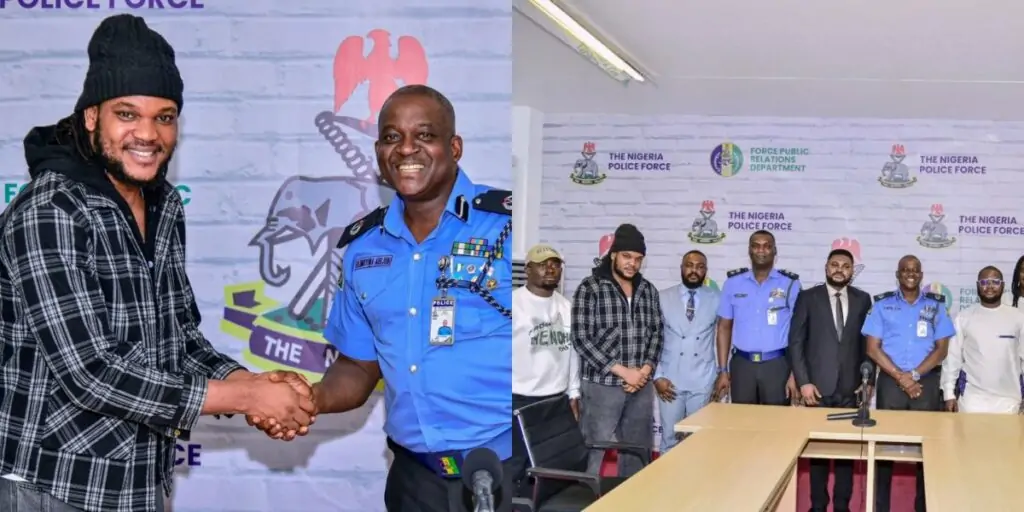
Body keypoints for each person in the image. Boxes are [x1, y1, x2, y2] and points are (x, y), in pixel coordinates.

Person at [0, 14, 315, 512]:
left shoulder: (163, 203)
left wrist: (246, 382)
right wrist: (246, 398)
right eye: (127, 114)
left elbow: (178, 338)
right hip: (52, 488)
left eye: (164, 117)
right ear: (91, 117)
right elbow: (89, 372)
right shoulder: (51, 209)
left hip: (141, 483)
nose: (148, 134)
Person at [249, 84, 514, 512]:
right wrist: (310, 398)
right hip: (414, 481)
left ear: (454, 147)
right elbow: (358, 366)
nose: (406, 148)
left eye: (424, 135)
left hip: (504, 472)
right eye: (392, 137)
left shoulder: (506, 227)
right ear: (378, 152)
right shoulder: (362, 248)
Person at [862, 254, 953, 512]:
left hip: (926, 384)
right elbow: (872, 348)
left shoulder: (936, 306)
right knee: (884, 450)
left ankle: (924, 506)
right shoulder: (882, 305)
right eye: (905, 269)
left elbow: (942, 350)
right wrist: (901, 376)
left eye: (915, 270)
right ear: (898, 274)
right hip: (891, 383)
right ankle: (880, 507)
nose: (910, 273)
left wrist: (913, 376)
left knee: (927, 451)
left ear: (921, 275)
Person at [571, 223, 663, 477]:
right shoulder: (591, 287)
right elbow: (581, 338)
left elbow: (657, 333)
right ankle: (585, 497)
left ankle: (632, 497)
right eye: (627, 256)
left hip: (640, 387)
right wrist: (624, 372)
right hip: (602, 386)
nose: (632, 263)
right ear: (613, 254)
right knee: (593, 451)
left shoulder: (648, 290)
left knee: (637, 453)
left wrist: (644, 371)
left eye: (638, 259)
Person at [787, 248, 873, 512]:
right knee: (818, 454)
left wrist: (868, 379)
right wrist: (803, 382)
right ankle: (818, 505)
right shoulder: (808, 297)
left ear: (852, 271)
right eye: (834, 265)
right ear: (826, 268)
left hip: (850, 388)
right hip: (816, 389)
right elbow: (796, 342)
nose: (839, 270)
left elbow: (868, 344)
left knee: (846, 453)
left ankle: (842, 505)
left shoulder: (863, 299)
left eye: (845, 266)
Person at [510, 243, 580, 497]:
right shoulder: (512, 304)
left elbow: (573, 353)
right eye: (542, 264)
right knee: (516, 468)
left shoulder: (566, 306)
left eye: (555, 264)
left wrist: (574, 393)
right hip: (519, 399)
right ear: (528, 270)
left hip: (555, 400)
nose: (550, 269)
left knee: (550, 472)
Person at [713, 230, 801, 405]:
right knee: (743, 419)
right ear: (749, 250)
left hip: (777, 365)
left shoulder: (790, 284)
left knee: (777, 419)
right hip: (742, 366)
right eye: (756, 246)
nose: (761, 250)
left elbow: (799, 332)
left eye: (767, 246)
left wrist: (794, 374)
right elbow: (724, 328)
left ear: (775, 251)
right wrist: (723, 370)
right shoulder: (732, 283)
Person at [653, 250, 720, 453]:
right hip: (669, 380)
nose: (694, 271)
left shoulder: (717, 298)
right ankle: (668, 474)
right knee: (669, 438)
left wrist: (720, 373)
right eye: (689, 265)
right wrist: (657, 376)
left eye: (700, 267)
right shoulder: (662, 297)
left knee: (698, 440)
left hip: (702, 379)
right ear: (681, 268)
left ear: (706, 271)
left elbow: (724, 337)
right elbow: (652, 339)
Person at [941, 266, 1024, 414]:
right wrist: (949, 393)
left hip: (1009, 402)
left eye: (995, 282)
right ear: (977, 286)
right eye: (984, 282)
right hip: (972, 402)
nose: (989, 286)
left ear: (1003, 285)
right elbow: (953, 359)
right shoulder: (964, 317)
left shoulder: (1018, 317)